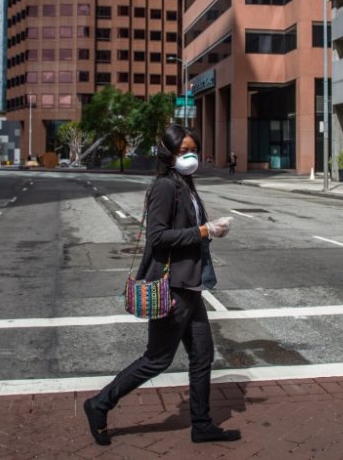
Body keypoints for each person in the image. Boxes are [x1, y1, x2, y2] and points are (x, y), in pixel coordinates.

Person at [83, 124, 240, 446]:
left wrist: (209, 229)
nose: (191, 156)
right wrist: (204, 231)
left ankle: (202, 424)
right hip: (172, 286)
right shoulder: (166, 187)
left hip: (189, 285)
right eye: (184, 151)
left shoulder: (184, 184)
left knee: (202, 356)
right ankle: (99, 404)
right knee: (157, 358)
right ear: (168, 154)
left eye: (193, 149)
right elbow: (157, 237)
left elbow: (189, 228)